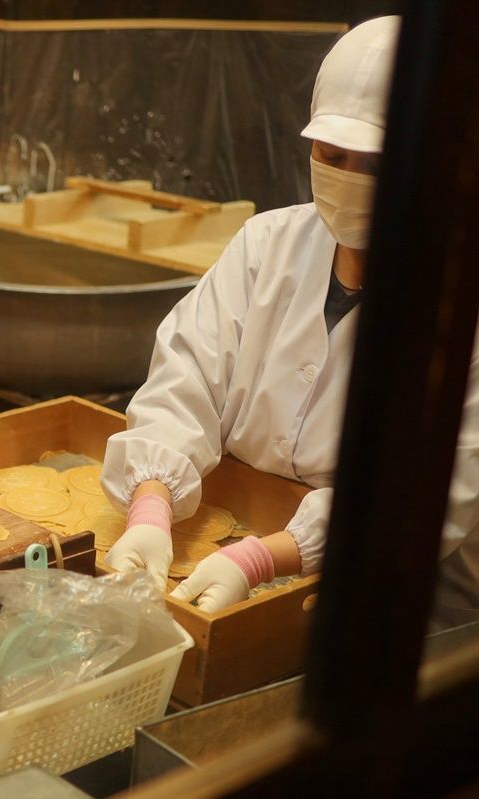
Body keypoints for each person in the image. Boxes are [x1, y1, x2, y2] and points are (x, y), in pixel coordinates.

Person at [99, 15, 479, 629]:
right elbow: (185, 380)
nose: (350, 180)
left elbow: (423, 499)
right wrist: (150, 509)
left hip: (402, 605)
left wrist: (259, 559)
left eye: (378, 165)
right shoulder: (266, 247)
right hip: (226, 547)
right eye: (333, 155)